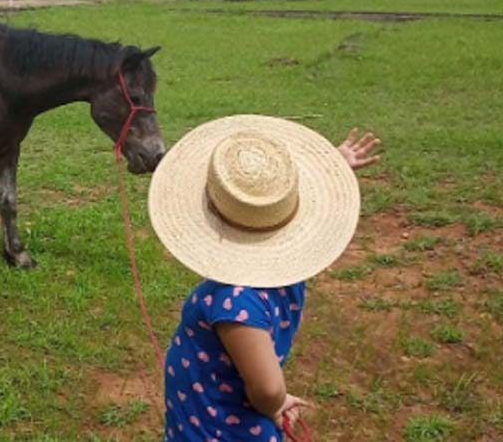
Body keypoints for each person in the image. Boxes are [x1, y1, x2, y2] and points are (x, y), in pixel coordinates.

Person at [147, 117, 381, 442]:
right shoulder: (285, 271)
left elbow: (268, 387)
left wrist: (276, 402)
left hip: (217, 430)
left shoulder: (236, 298)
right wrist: (332, 169)